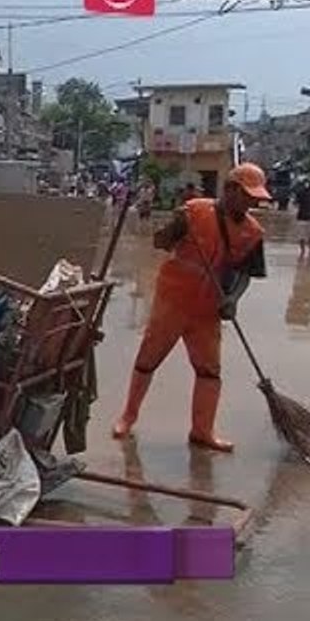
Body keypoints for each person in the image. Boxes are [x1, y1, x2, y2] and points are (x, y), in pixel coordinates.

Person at [112, 162, 271, 452]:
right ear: (230, 189)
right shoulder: (194, 211)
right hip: (173, 301)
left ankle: (203, 431)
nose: (252, 202)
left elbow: (246, 274)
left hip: (208, 310)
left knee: (209, 371)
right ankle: (128, 417)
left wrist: (233, 300)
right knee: (148, 360)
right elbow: (160, 242)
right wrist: (175, 228)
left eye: (255, 198)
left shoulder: (252, 232)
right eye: (248, 196)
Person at [293, 175, 310, 257]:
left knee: (302, 236)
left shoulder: (300, 192)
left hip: (302, 217)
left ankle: (302, 252)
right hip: (303, 217)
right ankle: (304, 252)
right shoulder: (301, 192)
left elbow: (295, 203)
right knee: (304, 235)